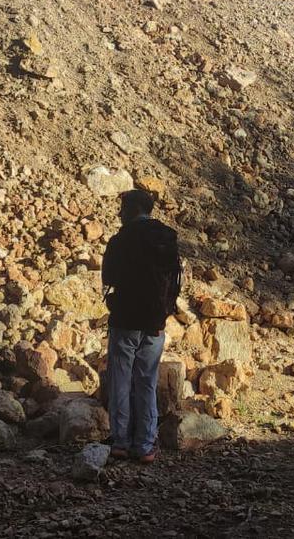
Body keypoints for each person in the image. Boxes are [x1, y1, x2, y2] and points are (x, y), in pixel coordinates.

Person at [101, 189, 182, 464]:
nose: (119, 213)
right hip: (155, 322)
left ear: (134, 209)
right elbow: (174, 282)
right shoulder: (166, 238)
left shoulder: (120, 240)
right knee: (147, 381)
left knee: (120, 379)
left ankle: (121, 441)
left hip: (125, 319)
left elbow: (108, 276)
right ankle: (145, 444)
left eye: (123, 208)